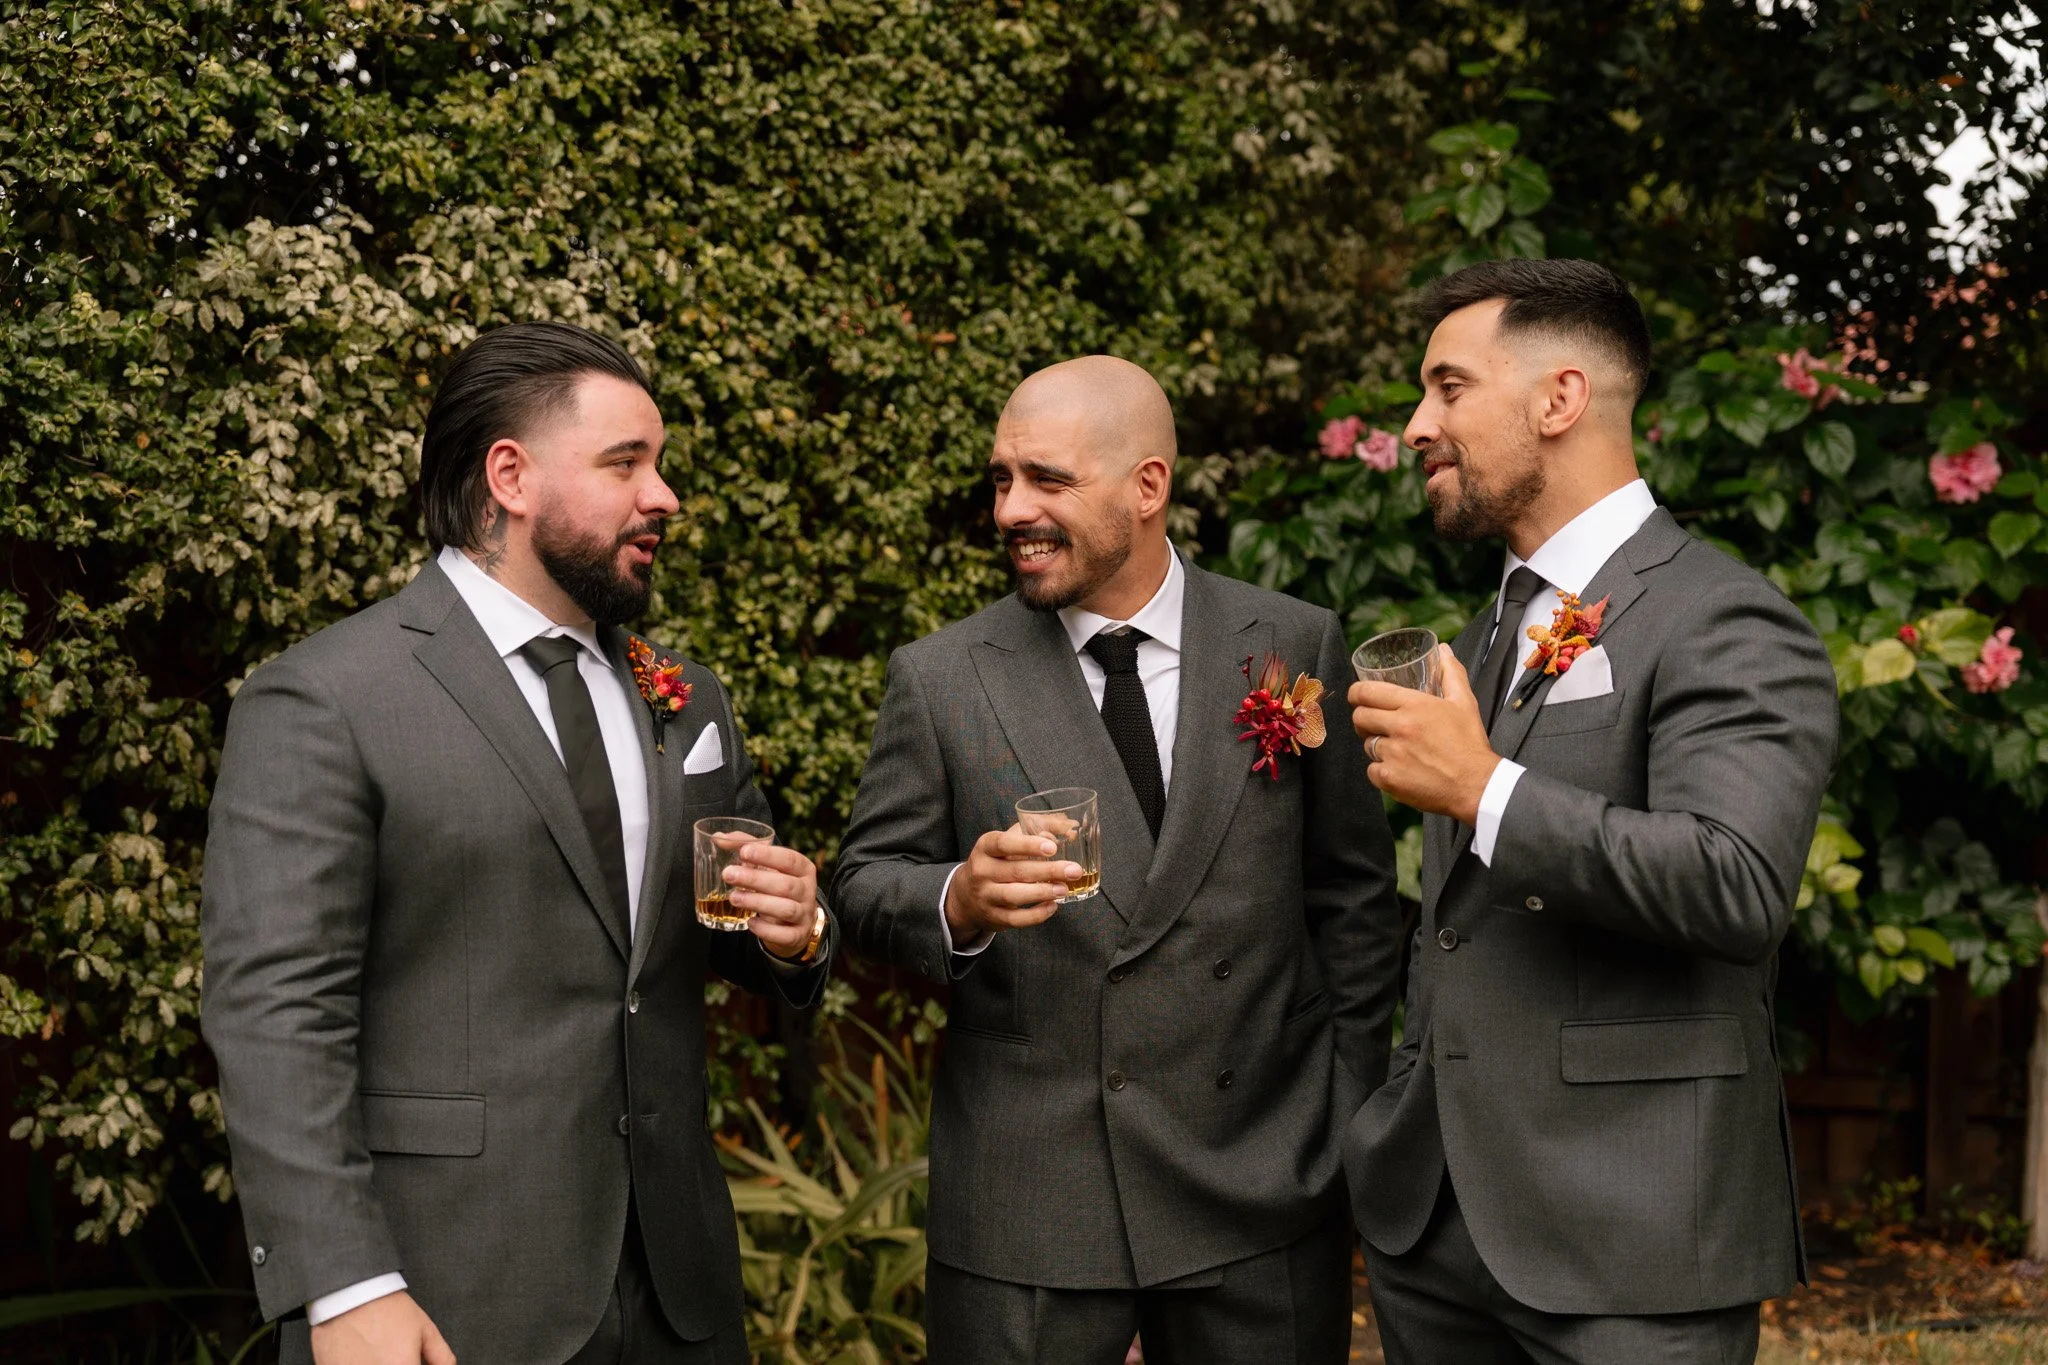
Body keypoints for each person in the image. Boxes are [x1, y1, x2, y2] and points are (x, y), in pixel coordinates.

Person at [201, 322, 834, 1365]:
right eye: (626, 463)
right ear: (510, 477)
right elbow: (276, 1012)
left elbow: (718, 934)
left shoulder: (686, 696)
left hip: (681, 1298)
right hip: (445, 1296)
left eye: (660, 464)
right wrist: (345, 1284)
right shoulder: (325, 699)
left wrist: (796, 930)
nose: (665, 496)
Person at [830, 355, 1403, 1364]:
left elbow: (1353, 896)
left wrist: (1340, 1111)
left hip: (1263, 1179)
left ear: (1147, 486)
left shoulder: (1291, 639)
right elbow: (864, 886)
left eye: (1045, 479)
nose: (1011, 509)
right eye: (1001, 479)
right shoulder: (941, 676)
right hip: (1033, 1197)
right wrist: (957, 896)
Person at [1343, 259, 1837, 1363]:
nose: (1416, 425)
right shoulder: (1485, 630)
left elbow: (1734, 885)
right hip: (1434, 1224)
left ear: (1559, 399)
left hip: (1632, 1236)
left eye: (1448, 387)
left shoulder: (1725, 619)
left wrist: (1482, 787)